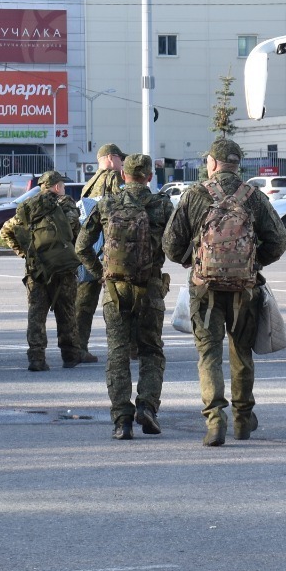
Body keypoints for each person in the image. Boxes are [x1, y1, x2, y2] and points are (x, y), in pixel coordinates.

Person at [163, 138, 286, 446]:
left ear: (213, 163)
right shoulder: (253, 197)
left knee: (208, 354)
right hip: (245, 288)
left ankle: (215, 421)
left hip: (204, 289)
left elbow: (170, 244)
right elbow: (279, 240)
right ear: (237, 164)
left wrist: (192, 260)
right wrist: (254, 262)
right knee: (241, 352)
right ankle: (243, 420)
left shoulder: (194, 195)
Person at [77, 154, 174, 440]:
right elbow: (178, 245)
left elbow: (82, 247)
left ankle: (122, 419)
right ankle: (147, 406)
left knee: (118, 354)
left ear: (123, 176)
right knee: (151, 351)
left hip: (115, 290)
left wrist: (101, 272)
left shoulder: (105, 204)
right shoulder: (162, 205)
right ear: (149, 177)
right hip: (151, 288)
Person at [2, 170, 82, 371]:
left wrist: (25, 254)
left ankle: (36, 358)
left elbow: (6, 230)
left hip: (36, 270)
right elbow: (76, 231)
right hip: (63, 268)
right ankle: (70, 355)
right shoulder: (65, 204)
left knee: (36, 314)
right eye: (61, 185)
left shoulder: (26, 207)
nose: (63, 188)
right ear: (56, 187)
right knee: (67, 311)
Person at [74, 142, 125, 363]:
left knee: (84, 303)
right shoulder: (113, 178)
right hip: (108, 249)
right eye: (120, 158)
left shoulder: (90, 182)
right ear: (111, 158)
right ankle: (127, 348)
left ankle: (78, 347)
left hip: (90, 248)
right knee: (118, 302)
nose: (122, 163)